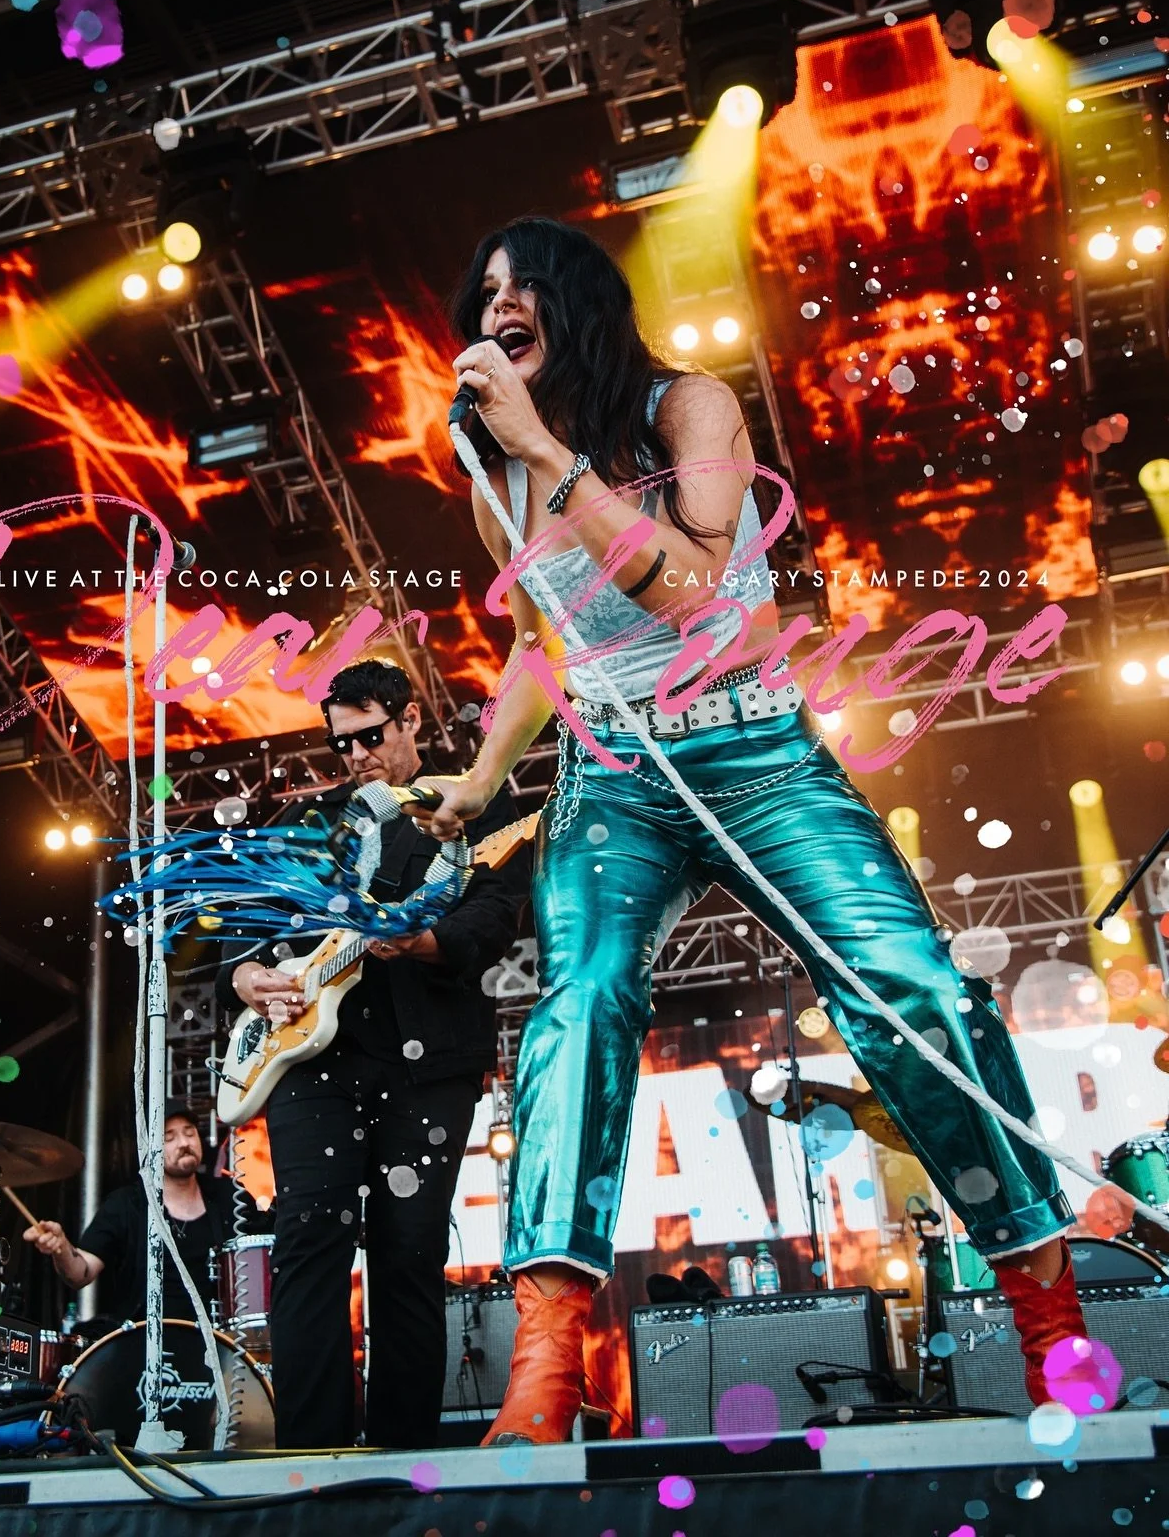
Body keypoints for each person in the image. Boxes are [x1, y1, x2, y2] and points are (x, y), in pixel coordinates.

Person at [416, 216, 1089, 1443]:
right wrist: (481, 774)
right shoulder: (492, 483)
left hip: (757, 749)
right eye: (484, 292)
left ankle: (1052, 1330)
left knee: (908, 986)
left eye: (523, 288)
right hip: (616, 773)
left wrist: (546, 450)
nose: (497, 308)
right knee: (580, 1003)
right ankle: (546, 1371)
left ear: (579, 304)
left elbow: (694, 598)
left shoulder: (687, 409)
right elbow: (537, 643)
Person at [214, 659, 531, 1451]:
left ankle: (401, 1456)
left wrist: (421, 942)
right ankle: (310, 1452)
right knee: (308, 1240)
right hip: (310, 1060)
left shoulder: (474, 804)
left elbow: (497, 916)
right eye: (342, 743)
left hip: (429, 1063)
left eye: (369, 736)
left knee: (408, 1252)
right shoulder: (312, 820)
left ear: (411, 720)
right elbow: (246, 920)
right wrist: (246, 976)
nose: (355, 755)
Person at [23, 1101, 265, 1322]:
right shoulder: (126, 1204)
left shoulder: (230, 1196)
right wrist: (62, 1248)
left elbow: (272, 1249)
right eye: (169, 1137)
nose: (184, 1143)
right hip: (144, 1343)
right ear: (149, 1150)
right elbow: (81, 1273)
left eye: (189, 1132)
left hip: (221, 1341)